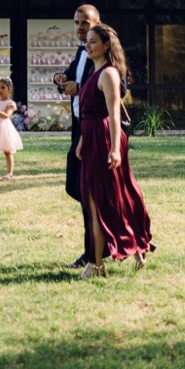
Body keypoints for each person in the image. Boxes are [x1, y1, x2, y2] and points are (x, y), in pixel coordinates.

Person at [75, 23, 154, 278]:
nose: (87, 45)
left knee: (100, 200)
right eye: (86, 41)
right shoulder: (94, 71)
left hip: (106, 140)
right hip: (91, 138)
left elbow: (114, 113)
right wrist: (81, 141)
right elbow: (88, 112)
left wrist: (115, 149)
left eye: (93, 41)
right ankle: (135, 247)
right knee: (104, 199)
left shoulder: (108, 74)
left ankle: (96, 264)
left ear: (106, 45)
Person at [53, 3, 99, 267]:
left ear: (97, 23)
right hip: (78, 127)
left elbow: (119, 86)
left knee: (89, 192)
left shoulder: (104, 51)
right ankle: (100, 239)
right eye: (77, 22)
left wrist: (79, 87)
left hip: (94, 129)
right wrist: (61, 79)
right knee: (77, 187)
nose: (80, 27)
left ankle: (93, 251)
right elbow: (71, 79)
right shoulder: (81, 51)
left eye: (86, 22)